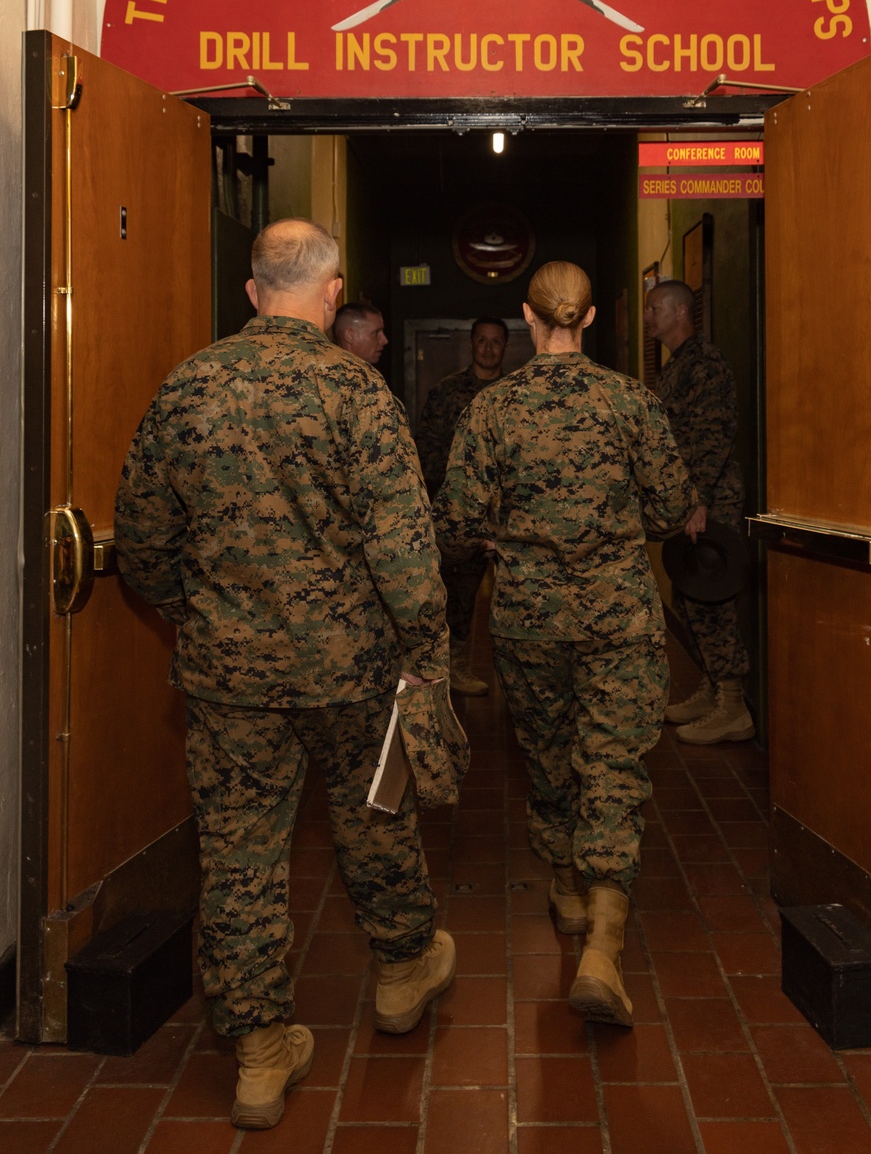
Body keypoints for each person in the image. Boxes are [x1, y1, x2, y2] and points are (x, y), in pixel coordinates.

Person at [115, 219, 456, 1132]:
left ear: (252, 289)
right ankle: (400, 974)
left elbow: (141, 545)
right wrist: (425, 651)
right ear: (334, 291)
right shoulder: (359, 392)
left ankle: (260, 1054)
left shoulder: (189, 387)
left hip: (231, 677)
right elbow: (407, 559)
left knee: (239, 854)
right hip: (350, 669)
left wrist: (200, 617)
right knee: (375, 818)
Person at [433, 263, 698, 1028]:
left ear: (528, 316)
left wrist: (496, 538)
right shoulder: (630, 399)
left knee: (548, 756)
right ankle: (605, 949)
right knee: (612, 768)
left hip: (526, 619)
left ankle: (566, 887)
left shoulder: (492, 409)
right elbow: (675, 505)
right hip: (619, 618)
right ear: (586, 320)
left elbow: (454, 523)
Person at [644, 279, 755, 744]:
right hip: (687, 500)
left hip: (708, 503)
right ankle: (712, 690)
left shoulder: (705, 364)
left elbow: (713, 435)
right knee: (690, 598)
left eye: (654, 308)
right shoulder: (676, 366)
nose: (648, 316)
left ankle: (733, 707)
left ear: (679, 312)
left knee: (711, 600)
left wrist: (699, 500)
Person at [416, 317, 509, 697]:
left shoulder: (513, 394)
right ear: (471, 344)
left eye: (496, 342)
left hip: (509, 518)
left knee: (517, 601)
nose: (488, 349)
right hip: (462, 513)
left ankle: (516, 676)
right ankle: (455, 666)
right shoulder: (447, 392)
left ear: (505, 346)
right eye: (482, 341)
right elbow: (429, 451)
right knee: (458, 598)